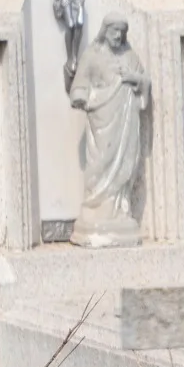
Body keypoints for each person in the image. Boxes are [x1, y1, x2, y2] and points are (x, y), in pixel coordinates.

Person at [69, 16, 148, 246]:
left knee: (125, 164)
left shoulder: (129, 56)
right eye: (114, 31)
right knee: (99, 165)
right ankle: (95, 207)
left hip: (126, 120)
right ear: (105, 31)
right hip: (102, 118)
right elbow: (80, 83)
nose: (118, 36)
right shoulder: (92, 55)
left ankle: (120, 209)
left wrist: (134, 78)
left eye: (122, 32)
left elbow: (144, 81)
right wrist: (80, 96)